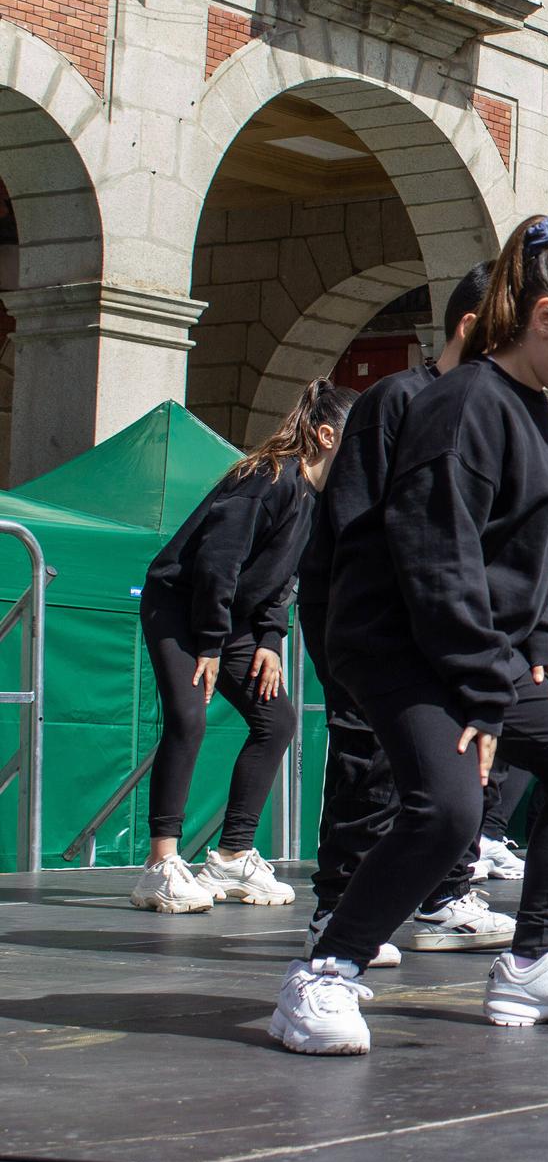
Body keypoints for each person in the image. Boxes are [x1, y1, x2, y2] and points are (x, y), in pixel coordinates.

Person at [268, 214, 548, 1056]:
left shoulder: (531, 414)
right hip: (407, 649)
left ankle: (538, 957)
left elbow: (527, 559)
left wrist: (540, 647)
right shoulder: (464, 406)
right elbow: (436, 555)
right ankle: (324, 973)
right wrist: (484, 693)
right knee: (445, 808)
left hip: (471, 654)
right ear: (547, 319)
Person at [298, 266, 515, 961]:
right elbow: (353, 521)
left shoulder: (493, 408)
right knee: (365, 755)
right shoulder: (397, 398)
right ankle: (336, 904)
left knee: (461, 758)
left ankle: (444, 896)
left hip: (446, 620)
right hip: (376, 618)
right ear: (471, 325)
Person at [131, 378, 358, 915]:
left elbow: (285, 577)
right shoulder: (268, 477)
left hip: (230, 622)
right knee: (189, 718)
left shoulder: (316, 500)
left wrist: (272, 640)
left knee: (276, 719)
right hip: (181, 608)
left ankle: (231, 856)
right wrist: (210, 643)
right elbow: (218, 561)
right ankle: (159, 865)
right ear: (327, 436)